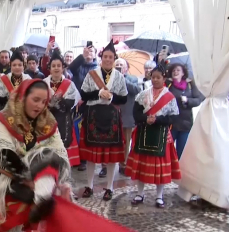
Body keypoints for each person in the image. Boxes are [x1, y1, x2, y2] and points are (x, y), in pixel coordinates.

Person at [0, 79, 71, 232]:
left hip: (40, 182)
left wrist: (54, 179)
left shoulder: (48, 122)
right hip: (7, 176)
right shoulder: (5, 118)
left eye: (44, 101)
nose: (40, 106)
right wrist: (27, 178)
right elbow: (5, 150)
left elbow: (60, 153)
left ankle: (41, 202)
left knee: (47, 157)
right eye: (35, 100)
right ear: (23, 97)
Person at [125, 61, 181, 208]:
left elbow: (174, 116)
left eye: (158, 77)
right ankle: (140, 193)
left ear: (164, 78)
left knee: (160, 168)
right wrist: (145, 119)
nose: (155, 80)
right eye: (153, 77)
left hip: (161, 134)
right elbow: (135, 113)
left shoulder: (169, 97)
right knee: (141, 166)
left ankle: (159, 196)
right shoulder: (143, 94)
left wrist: (157, 120)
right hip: (143, 131)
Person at [79, 39, 128, 201]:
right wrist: (98, 94)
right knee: (92, 155)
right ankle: (90, 185)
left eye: (111, 57)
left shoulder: (119, 76)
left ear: (114, 59)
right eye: (105, 56)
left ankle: (109, 187)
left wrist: (112, 96)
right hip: (93, 116)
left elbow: (124, 98)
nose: (108, 59)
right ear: (101, 58)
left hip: (112, 118)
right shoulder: (91, 74)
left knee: (111, 156)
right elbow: (84, 95)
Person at [43, 49, 81, 166]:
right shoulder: (43, 83)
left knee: (63, 161)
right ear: (49, 68)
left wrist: (54, 101)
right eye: (53, 66)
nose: (56, 68)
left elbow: (70, 104)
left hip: (64, 122)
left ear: (63, 67)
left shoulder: (69, 84)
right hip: (46, 121)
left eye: (58, 65)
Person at [166, 63, 203, 159]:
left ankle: (178, 171)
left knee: (181, 151)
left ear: (183, 73)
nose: (175, 72)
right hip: (171, 123)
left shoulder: (190, 85)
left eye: (178, 70)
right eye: (173, 70)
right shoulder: (168, 84)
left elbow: (198, 100)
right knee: (166, 150)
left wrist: (187, 100)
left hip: (185, 123)